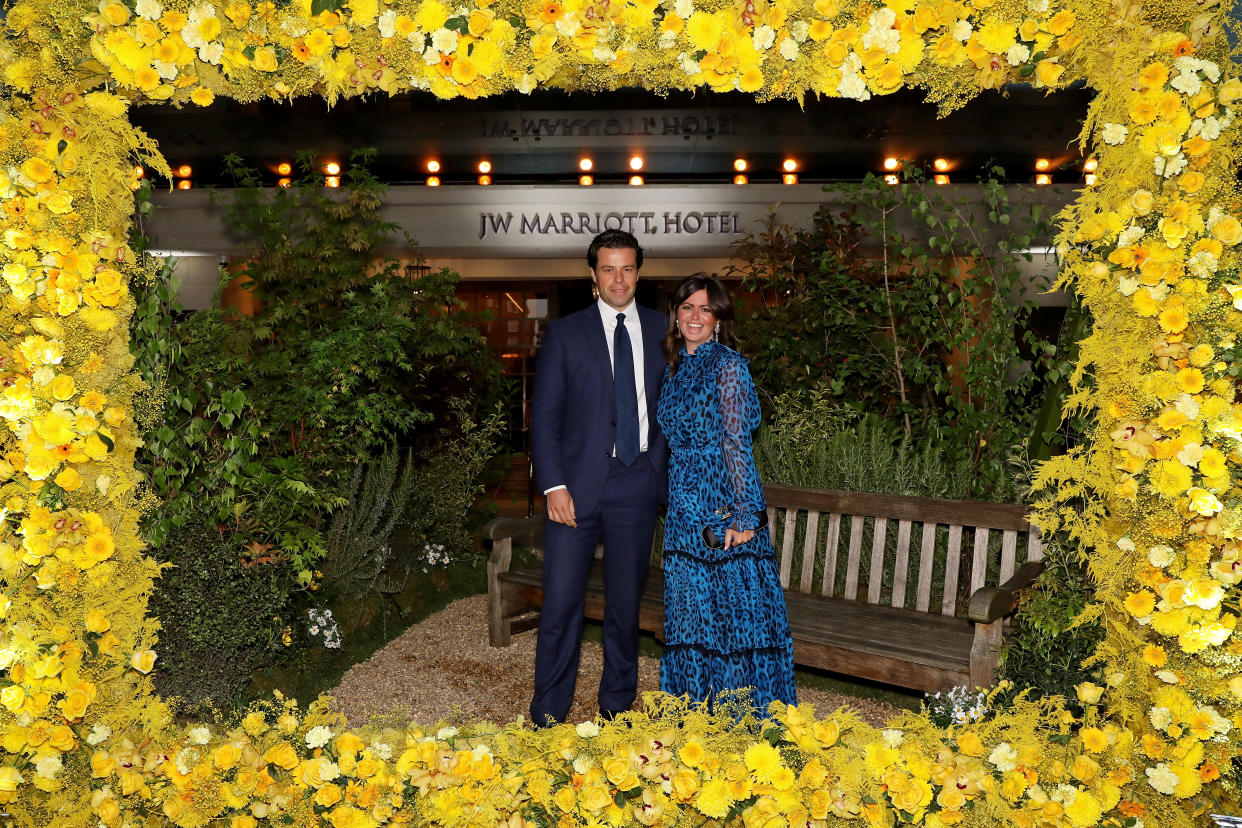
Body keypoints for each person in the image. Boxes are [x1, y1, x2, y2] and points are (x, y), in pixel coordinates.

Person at [528, 229, 669, 726]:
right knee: (562, 605)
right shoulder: (566, 334)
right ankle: (548, 713)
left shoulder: (662, 329)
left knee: (625, 607)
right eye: (608, 269)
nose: (618, 278)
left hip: (638, 483)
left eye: (627, 268)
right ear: (593, 276)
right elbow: (544, 417)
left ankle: (616, 707)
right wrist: (552, 485)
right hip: (574, 490)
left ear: (639, 273)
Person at [656, 274, 796, 712]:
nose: (695, 317)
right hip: (683, 514)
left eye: (705, 309)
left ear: (718, 318)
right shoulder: (673, 370)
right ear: (676, 317)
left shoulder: (728, 366)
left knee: (732, 624)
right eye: (687, 308)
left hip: (722, 509)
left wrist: (748, 518)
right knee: (692, 620)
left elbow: (737, 443)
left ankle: (743, 726)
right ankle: (695, 718)